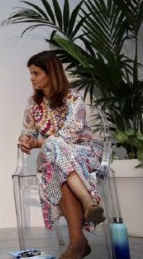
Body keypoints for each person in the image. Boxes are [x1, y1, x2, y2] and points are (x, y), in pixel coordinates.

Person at [18, 51, 105, 259]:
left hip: (83, 152)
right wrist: (26, 141)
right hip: (53, 157)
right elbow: (27, 132)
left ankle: (77, 244)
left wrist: (39, 142)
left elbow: (71, 133)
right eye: (31, 73)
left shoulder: (72, 97)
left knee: (56, 161)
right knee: (54, 154)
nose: (31, 78)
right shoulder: (32, 104)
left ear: (51, 73)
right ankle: (87, 204)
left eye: (36, 73)